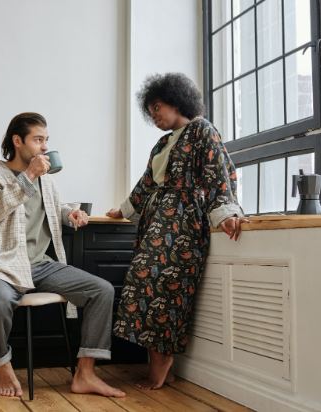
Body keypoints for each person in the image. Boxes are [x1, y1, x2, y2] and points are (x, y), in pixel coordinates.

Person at [0, 112, 125, 398]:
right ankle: (2, 365)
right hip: (5, 264)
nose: (44, 146)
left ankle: (85, 374)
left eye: (46, 140)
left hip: (41, 265)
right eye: (38, 140)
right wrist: (29, 175)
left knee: (101, 290)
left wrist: (70, 214)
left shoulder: (46, 180)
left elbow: (53, 206)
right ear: (18, 141)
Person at [107, 73, 247, 390]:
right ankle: (158, 365)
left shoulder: (202, 130)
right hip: (156, 222)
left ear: (175, 100)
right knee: (142, 286)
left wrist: (225, 212)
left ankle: (161, 365)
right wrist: (124, 209)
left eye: (157, 108)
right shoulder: (162, 142)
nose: (154, 116)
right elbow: (146, 183)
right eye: (151, 110)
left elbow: (218, 173)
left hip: (183, 223)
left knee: (165, 290)